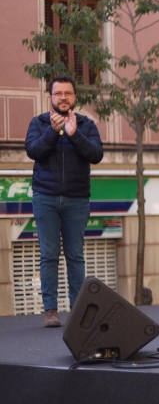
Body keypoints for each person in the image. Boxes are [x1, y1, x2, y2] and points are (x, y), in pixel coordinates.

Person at [25, 76, 103, 328]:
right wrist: (53, 131)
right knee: (48, 255)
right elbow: (33, 151)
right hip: (45, 197)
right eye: (58, 93)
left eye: (68, 93)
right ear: (51, 97)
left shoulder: (86, 124)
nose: (63, 98)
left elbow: (96, 155)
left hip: (77, 198)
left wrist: (74, 134)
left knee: (75, 256)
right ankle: (51, 311)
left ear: (75, 97)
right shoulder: (38, 123)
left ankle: (78, 311)